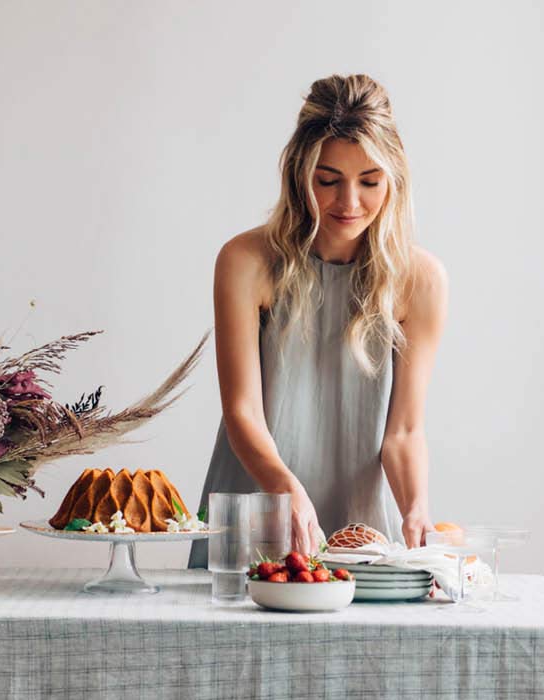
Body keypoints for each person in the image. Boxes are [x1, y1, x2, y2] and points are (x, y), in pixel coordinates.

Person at [188, 74, 448, 568]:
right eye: (328, 180)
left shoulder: (421, 279)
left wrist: (417, 511)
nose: (348, 202)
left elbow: (404, 431)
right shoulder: (245, 261)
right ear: (298, 174)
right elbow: (242, 411)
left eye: (369, 181)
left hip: (362, 527)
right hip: (254, 508)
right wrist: (286, 491)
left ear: (394, 178)